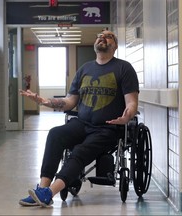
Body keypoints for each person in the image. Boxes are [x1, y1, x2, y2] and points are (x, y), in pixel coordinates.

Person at [19, 30, 139, 207]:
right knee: (55, 134)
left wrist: (127, 116)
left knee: (80, 152)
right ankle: (41, 189)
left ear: (115, 46)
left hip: (107, 128)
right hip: (82, 124)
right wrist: (44, 101)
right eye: (99, 35)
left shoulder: (124, 68)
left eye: (108, 36)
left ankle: (49, 193)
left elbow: (131, 102)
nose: (102, 37)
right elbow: (69, 102)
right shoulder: (85, 69)